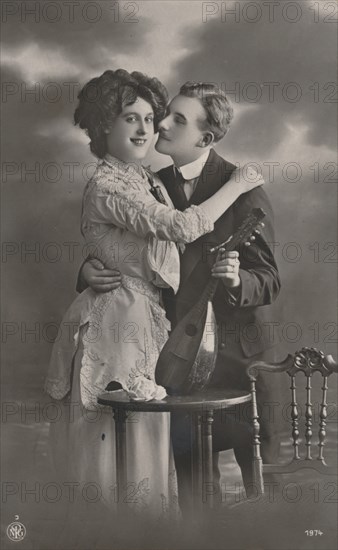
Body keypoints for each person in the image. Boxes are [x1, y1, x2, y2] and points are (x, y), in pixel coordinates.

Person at [45, 70, 263, 521]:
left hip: (149, 320)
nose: (147, 129)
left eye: (151, 117)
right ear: (104, 124)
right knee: (113, 431)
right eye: (131, 118)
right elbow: (181, 228)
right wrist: (239, 183)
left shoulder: (147, 179)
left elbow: (136, 249)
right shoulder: (109, 184)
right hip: (115, 324)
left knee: (145, 433)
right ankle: (110, 531)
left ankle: (146, 533)